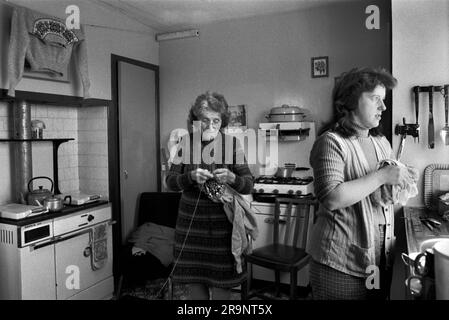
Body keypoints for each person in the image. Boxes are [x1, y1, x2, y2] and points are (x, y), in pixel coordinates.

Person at [308, 67, 418, 300]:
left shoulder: (381, 143)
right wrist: (382, 176)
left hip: (377, 259)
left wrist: (401, 181)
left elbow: (381, 199)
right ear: (349, 100)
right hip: (339, 263)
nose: (383, 107)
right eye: (375, 99)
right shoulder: (331, 142)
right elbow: (332, 197)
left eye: (384, 100)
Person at [165, 91, 254, 300]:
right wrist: (190, 177)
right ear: (195, 120)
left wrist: (232, 178)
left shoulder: (232, 145)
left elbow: (248, 185)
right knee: (195, 286)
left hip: (222, 230)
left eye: (216, 120)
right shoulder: (186, 143)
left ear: (222, 121)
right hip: (191, 227)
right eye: (205, 120)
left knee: (223, 287)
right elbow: (170, 182)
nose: (210, 125)